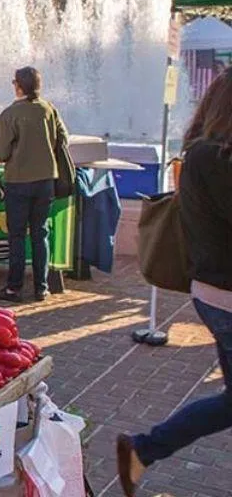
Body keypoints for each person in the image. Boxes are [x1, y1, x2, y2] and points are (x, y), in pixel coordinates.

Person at [118, 72, 232, 495]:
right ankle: (143, 449)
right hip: (223, 296)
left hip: (215, 295)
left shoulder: (205, 153)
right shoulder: (212, 158)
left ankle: (143, 451)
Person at [0, 67, 67, 303]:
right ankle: (41, 288)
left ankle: (14, 288)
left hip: (18, 181)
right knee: (40, 232)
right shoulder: (48, 109)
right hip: (45, 181)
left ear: (18, 86)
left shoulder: (10, 114)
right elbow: (62, 138)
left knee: (17, 236)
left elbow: (1, 153)